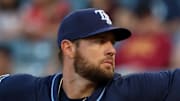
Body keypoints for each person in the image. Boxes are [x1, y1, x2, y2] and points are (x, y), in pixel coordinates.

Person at [0, 8, 180, 101]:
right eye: (100, 41)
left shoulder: (131, 90)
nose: (111, 50)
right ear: (68, 48)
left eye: (112, 42)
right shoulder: (28, 90)